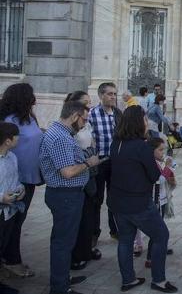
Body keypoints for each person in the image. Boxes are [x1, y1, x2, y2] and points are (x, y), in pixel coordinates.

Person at [107, 106, 176, 293]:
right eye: (145, 120)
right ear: (138, 123)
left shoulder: (116, 143)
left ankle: (128, 279)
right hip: (138, 203)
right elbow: (154, 175)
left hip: (118, 202)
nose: (147, 123)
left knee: (125, 240)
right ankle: (159, 280)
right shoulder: (142, 146)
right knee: (161, 235)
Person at [40, 101, 101, 294]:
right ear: (74, 116)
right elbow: (67, 172)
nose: (84, 124)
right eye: (84, 119)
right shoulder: (60, 137)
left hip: (67, 195)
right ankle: (60, 287)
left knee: (63, 240)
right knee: (62, 243)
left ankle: (62, 278)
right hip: (65, 196)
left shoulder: (63, 134)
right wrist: (88, 163)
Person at [0, 83, 42, 278]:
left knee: (19, 220)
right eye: (31, 96)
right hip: (15, 179)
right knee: (12, 221)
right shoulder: (9, 120)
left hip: (30, 178)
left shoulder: (29, 117)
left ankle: (10, 256)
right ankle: (11, 260)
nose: (34, 99)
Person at [65, 92, 101, 271]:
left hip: (91, 172)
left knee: (90, 214)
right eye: (86, 104)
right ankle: (76, 255)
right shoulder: (68, 129)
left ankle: (86, 249)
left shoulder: (85, 123)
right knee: (79, 217)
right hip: (79, 175)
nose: (90, 107)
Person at [89, 82, 121, 243]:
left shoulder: (118, 114)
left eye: (115, 94)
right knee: (97, 198)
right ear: (101, 95)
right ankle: (94, 233)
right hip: (99, 162)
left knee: (114, 198)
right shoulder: (91, 114)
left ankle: (115, 230)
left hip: (115, 162)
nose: (113, 97)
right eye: (110, 94)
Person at [143, 137, 176, 269]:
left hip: (161, 199)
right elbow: (159, 179)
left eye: (164, 149)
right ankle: (150, 258)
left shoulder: (158, 161)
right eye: (160, 149)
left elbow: (167, 178)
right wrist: (167, 168)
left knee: (160, 227)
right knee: (157, 230)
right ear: (152, 150)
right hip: (154, 200)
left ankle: (160, 247)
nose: (163, 152)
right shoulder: (151, 163)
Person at [0, 122, 24, 294]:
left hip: (9, 212)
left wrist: (20, 189)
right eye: (16, 136)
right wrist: (1, 197)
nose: (19, 139)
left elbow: (16, 179)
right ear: (8, 140)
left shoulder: (12, 157)